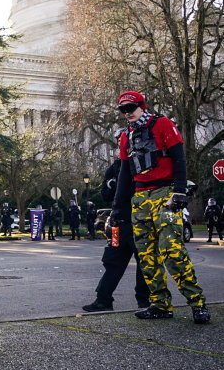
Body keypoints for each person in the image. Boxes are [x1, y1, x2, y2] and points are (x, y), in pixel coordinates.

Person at [113, 90, 210, 323]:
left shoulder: (162, 124)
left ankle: (197, 303)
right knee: (146, 255)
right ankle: (160, 304)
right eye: (124, 110)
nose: (128, 113)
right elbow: (125, 173)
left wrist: (178, 191)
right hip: (140, 197)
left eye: (132, 108)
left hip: (165, 193)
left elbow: (179, 158)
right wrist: (117, 208)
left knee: (171, 250)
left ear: (142, 106)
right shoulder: (126, 136)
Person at [82, 159, 150, 312]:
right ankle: (103, 300)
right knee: (113, 261)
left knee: (145, 263)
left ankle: (144, 301)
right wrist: (110, 185)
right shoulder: (115, 166)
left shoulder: (142, 160)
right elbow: (105, 195)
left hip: (139, 221)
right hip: (119, 222)